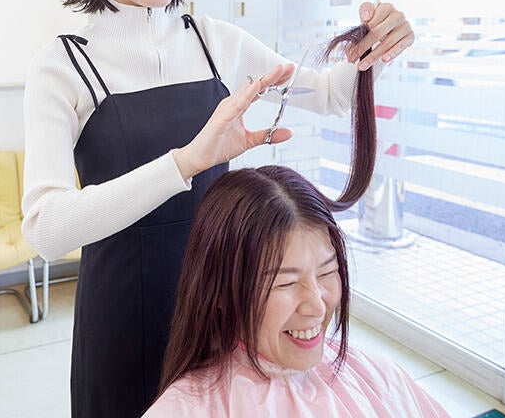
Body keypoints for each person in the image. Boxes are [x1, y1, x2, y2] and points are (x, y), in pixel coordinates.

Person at [20, 0, 414, 418]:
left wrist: (377, 51)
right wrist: (185, 163)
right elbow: (47, 230)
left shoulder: (215, 42)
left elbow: (328, 94)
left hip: (221, 308)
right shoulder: (63, 65)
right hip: (122, 315)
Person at [144, 165, 451, 417]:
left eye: (328, 272)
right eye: (287, 283)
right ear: (222, 291)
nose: (317, 306)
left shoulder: (377, 376)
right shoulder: (185, 409)